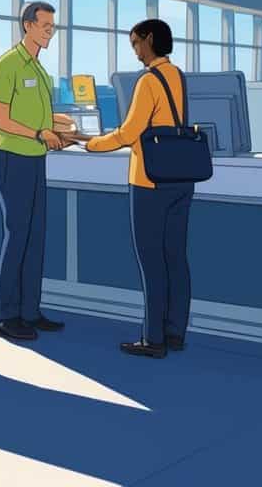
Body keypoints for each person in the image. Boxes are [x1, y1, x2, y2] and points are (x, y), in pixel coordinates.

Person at [83, 19, 193, 359]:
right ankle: (175, 332)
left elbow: (129, 134)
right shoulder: (176, 75)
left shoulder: (148, 81)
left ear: (149, 39)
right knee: (175, 258)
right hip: (180, 180)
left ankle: (153, 339)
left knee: (151, 262)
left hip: (150, 182)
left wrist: (91, 143)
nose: (134, 51)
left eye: (135, 43)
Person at [0, 1, 70, 342]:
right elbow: (0, 120)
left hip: (36, 160)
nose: (50, 31)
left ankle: (30, 311)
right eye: (45, 25)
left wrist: (59, 129)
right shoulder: (7, 66)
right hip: (12, 160)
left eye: (53, 26)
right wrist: (39, 133)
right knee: (18, 235)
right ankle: (6, 316)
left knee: (36, 238)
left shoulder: (40, 70)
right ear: (27, 26)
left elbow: (39, 118)